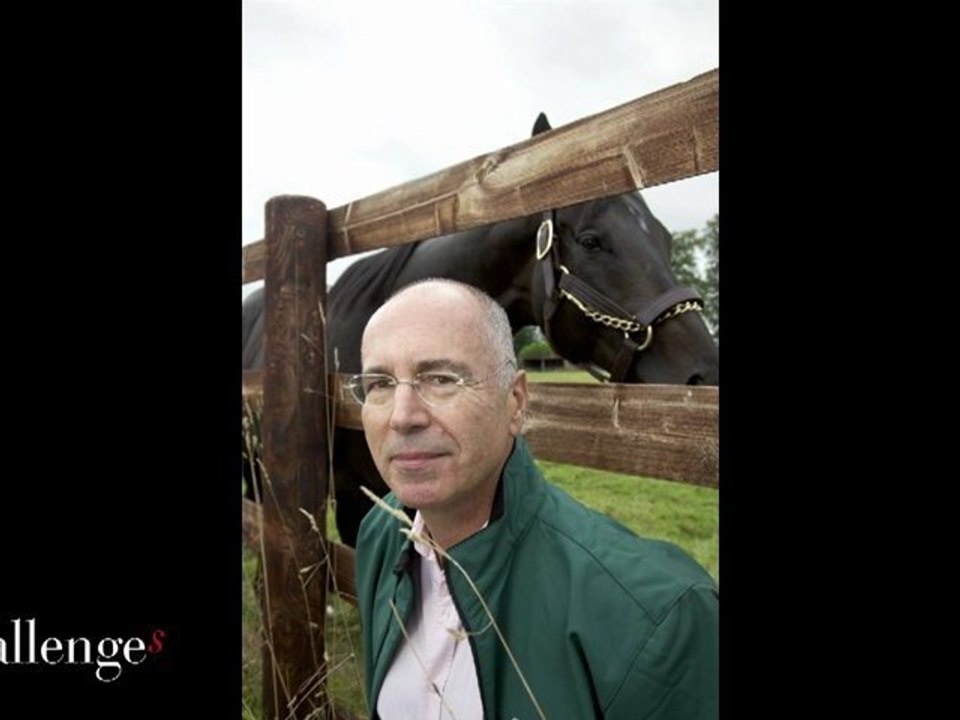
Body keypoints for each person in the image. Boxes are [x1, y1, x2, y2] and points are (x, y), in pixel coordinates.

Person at [352, 279, 718, 720]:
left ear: (515, 401)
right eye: (379, 383)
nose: (403, 415)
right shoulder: (379, 533)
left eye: (441, 378)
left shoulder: (658, 619)